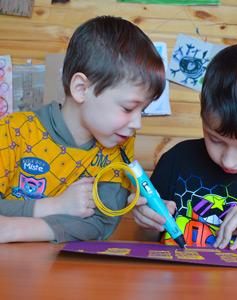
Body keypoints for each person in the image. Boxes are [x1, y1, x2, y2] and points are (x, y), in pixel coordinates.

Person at [0, 16, 165, 243]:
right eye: (128, 108)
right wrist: (53, 206)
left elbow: (100, 224)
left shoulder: (120, 141)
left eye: (142, 111)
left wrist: (14, 229)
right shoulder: (12, 131)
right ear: (81, 89)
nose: (137, 123)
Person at [131, 42, 237, 250]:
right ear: (202, 107)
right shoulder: (176, 161)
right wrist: (145, 221)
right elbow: (147, 239)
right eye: (216, 140)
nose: (228, 160)